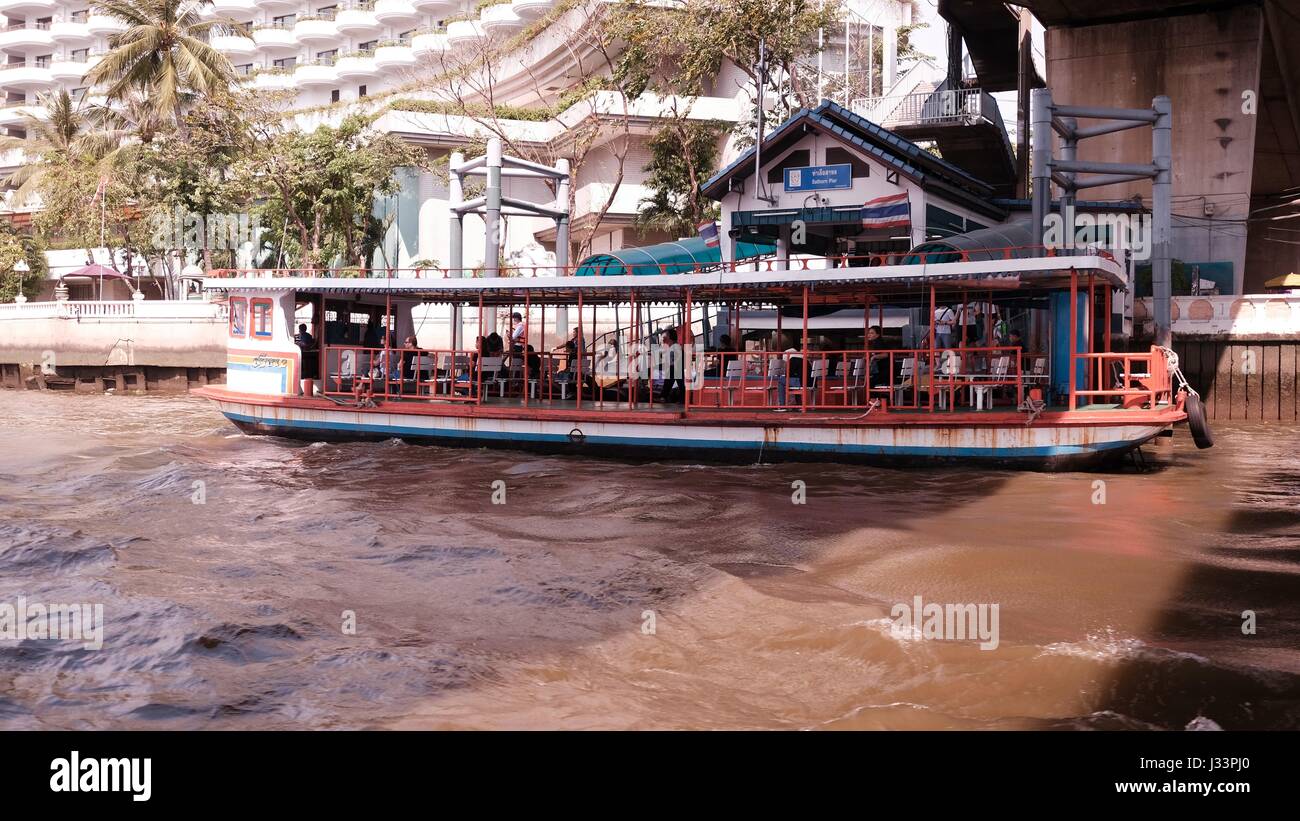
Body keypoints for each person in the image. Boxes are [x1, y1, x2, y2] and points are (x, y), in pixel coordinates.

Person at [660, 327, 684, 403]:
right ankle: (664, 396)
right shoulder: (674, 346)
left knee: (671, 382)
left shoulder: (675, 347)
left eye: (666, 335)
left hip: (675, 367)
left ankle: (664, 397)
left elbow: (671, 360)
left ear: (669, 337)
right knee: (671, 382)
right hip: (675, 367)